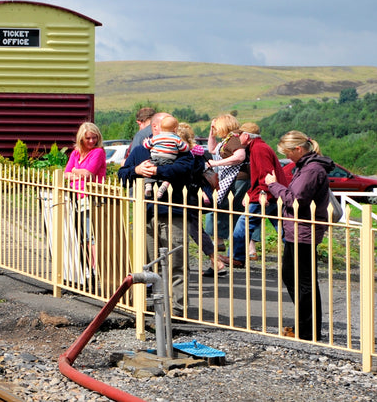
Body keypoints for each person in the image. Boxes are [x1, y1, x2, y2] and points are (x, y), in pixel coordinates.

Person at [118, 112, 220, 308]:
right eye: (163, 128)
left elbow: (184, 171)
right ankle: (149, 304)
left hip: (175, 213)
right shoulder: (140, 151)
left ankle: (178, 307)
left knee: (176, 262)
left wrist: (156, 171)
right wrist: (137, 171)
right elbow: (123, 175)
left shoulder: (183, 152)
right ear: (154, 129)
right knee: (148, 260)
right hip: (147, 213)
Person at [264, 130, 334, 341]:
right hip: (297, 229)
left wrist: (273, 185)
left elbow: (296, 199)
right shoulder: (306, 167)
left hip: (304, 230)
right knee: (292, 276)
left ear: (298, 149)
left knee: (304, 281)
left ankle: (308, 330)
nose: (286, 156)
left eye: (287, 152)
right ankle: (305, 325)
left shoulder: (311, 170)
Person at [230, 123, 290, 262]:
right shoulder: (259, 147)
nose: (238, 137)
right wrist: (250, 193)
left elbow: (266, 174)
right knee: (284, 229)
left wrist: (262, 193)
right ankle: (297, 256)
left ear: (246, 136)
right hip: (274, 194)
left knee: (243, 224)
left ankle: (236, 257)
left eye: (240, 134)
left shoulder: (258, 149)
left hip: (266, 194)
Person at [65, 122, 106, 282]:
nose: (91, 141)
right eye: (88, 138)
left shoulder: (98, 152)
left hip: (90, 196)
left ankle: (96, 267)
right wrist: (76, 173)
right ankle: (89, 266)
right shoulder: (75, 153)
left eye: (94, 138)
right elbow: (66, 173)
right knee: (82, 235)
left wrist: (75, 172)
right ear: (81, 138)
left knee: (91, 234)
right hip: (76, 196)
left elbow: (89, 173)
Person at [204, 115, 248, 260]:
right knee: (224, 208)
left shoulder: (234, 139)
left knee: (230, 210)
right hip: (232, 179)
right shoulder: (228, 139)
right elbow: (212, 149)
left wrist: (216, 164)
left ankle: (225, 243)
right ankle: (221, 240)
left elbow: (240, 156)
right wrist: (211, 132)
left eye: (216, 127)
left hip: (237, 180)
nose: (215, 130)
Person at [142, 115, 185, 200]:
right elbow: (184, 148)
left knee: (147, 172)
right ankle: (164, 186)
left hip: (154, 158)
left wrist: (146, 142)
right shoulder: (176, 138)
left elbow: (147, 145)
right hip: (168, 160)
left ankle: (148, 186)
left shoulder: (156, 138)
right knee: (169, 176)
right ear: (175, 129)